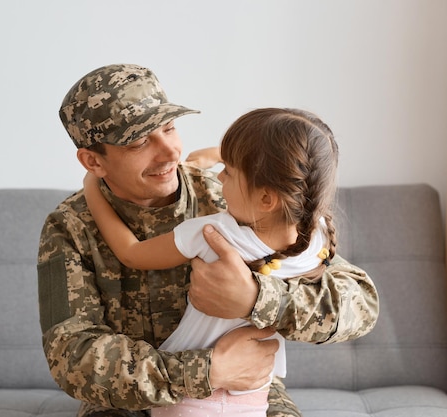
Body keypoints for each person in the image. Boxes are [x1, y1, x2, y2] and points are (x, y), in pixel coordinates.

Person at [37, 63, 379, 417]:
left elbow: (360, 307)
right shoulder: (69, 227)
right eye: (140, 141)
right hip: (127, 403)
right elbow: (72, 356)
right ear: (93, 161)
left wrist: (256, 299)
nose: (170, 151)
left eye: (169, 128)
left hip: (245, 391)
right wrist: (206, 370)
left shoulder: (234, 198)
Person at [82, 107, 346, 417]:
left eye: (230, 172)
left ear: (265, 199)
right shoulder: (316, 236)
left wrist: (90, 188)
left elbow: (131, 253)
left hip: (185, 396)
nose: (218, 176)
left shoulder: (211, 232)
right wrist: (221, 156)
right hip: (252, 393)